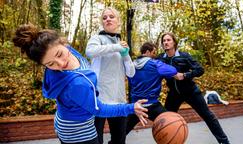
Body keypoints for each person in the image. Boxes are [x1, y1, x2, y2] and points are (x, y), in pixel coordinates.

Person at [12, 24, 148, 144]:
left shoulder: (70, 51)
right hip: (78, 134)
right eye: (50, 64)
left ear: (64, 43)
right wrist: (131, 108)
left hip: (63, 120)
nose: (60, 64)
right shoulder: (77, 84)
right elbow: (99, 110)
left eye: (59, 54)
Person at [157, 32, 230, 144]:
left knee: (208, 116)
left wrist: (185, 75)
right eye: (164, 41)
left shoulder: (184, 56)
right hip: (174, 94)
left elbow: (200, 70)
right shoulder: (161, 58)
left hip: (190, 91)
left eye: (168, 40)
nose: (166, 42)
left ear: (174, 42)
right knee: (166, 120)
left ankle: (224, 141)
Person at [86, 7, 134, 144]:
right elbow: (90, 51)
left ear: (118, 21)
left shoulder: (121, 43)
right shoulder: (97, 38)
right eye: (105, 17)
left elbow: (131, 73)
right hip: (98, 100)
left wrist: (125, 56)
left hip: (118, 99)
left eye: (111, 16)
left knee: (119, 141)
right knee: (96, 141)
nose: (108, 19)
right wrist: (116, 48)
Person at [126, 42, 177, 135]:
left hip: (136, 106)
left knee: (120, 135)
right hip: (153, 105)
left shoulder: (131, 65)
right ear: (148, 52)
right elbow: (173, 70)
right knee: (171, 127)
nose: (155, 55)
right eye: (154, 53)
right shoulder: (155, 64)